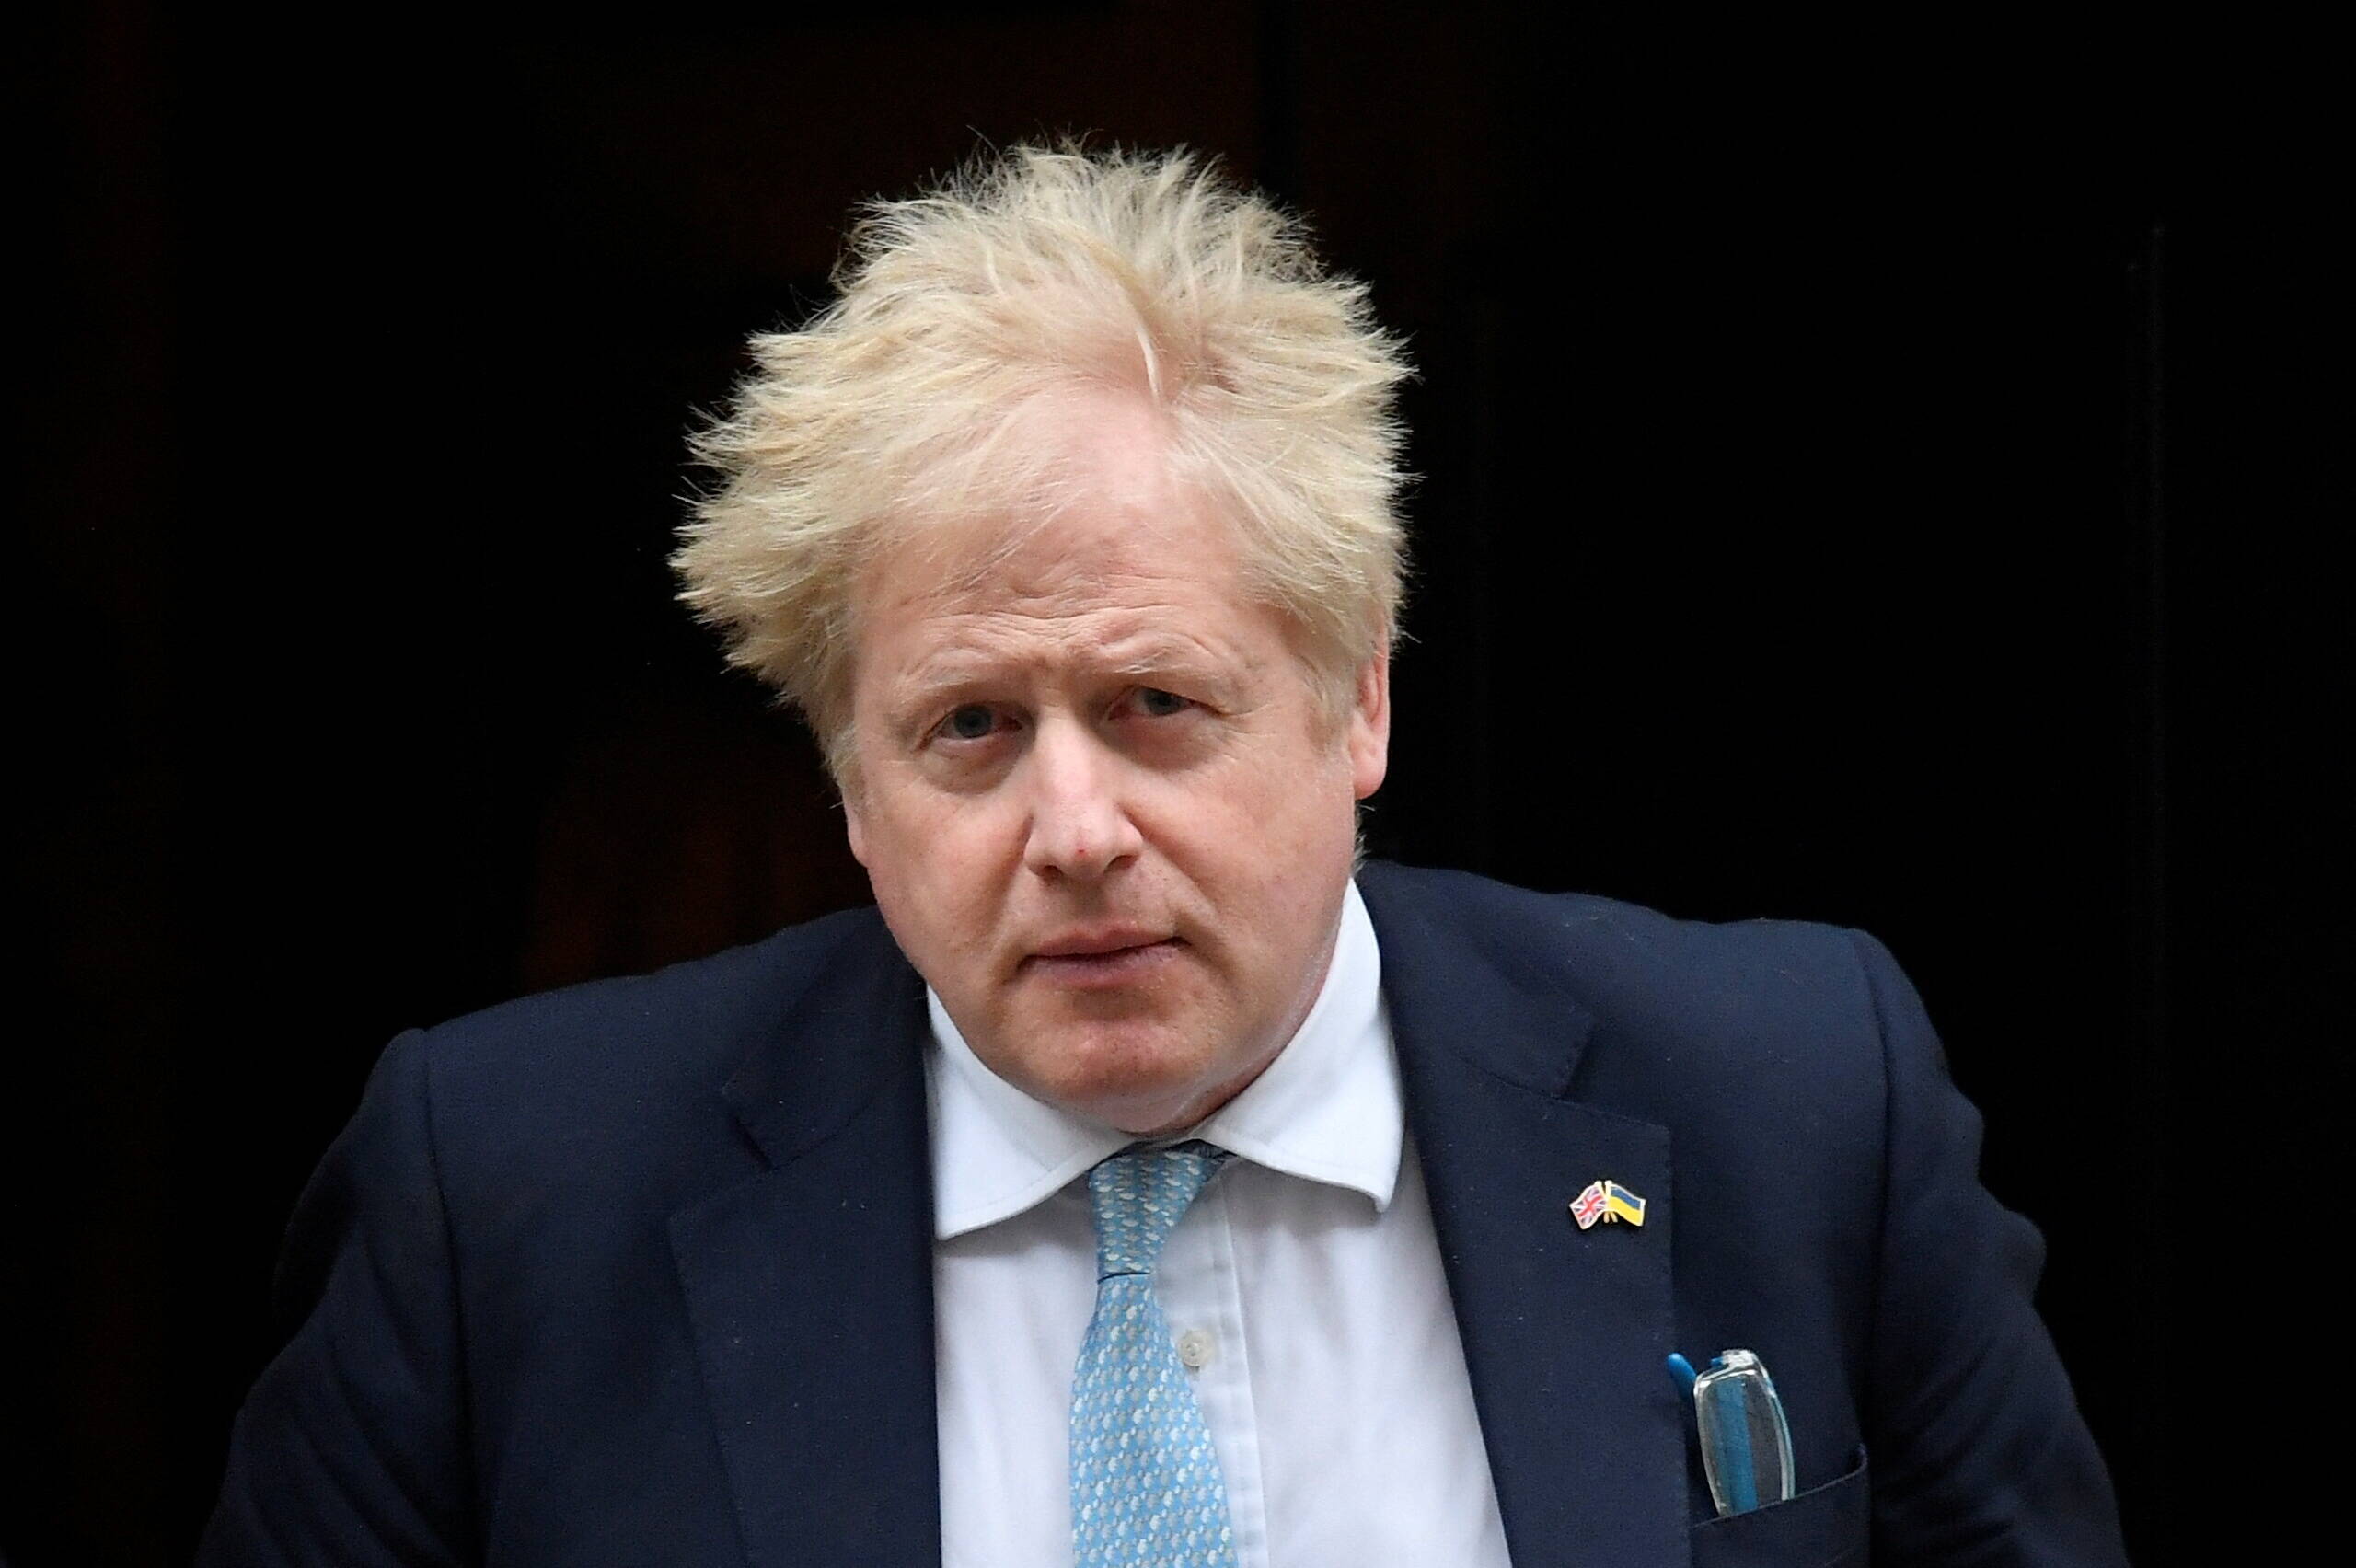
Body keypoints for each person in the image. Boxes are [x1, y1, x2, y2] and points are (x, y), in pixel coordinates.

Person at [199, 146, 2130, 1567]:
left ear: (1354, 705)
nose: (1071, 830)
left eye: (1153, 708)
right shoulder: (514, 1204)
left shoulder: (1786, 1098)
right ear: (848, 786)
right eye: (969, 729)